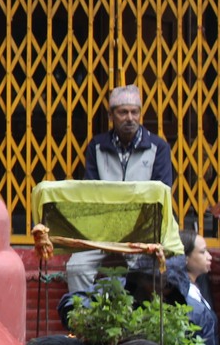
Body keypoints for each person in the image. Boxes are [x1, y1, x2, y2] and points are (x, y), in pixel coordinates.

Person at [68, 84, 176, 297]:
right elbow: (90, 192)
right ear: (111, 115)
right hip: (104, 230)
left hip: (142, 231)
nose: (130, 118)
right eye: (123, 112)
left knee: (148, 270)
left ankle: (139, 315)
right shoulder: (97, 147)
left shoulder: (158, 148)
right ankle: (81, 314)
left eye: (135, 112)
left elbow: (162, 193)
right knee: (76, 267)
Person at [168, 237, 218, 345]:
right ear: (184, 258)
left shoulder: (199, 286)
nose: (209, 256)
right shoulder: (181, 297)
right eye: (202, 252)